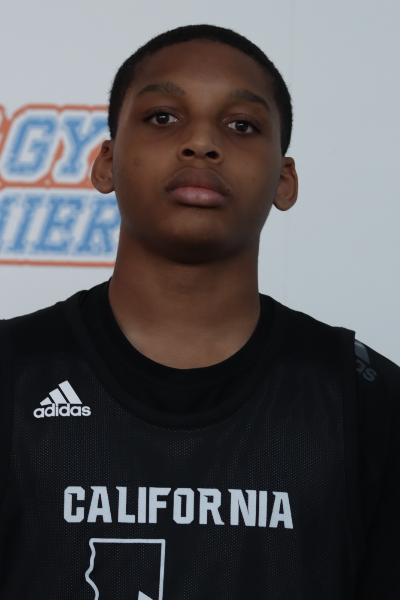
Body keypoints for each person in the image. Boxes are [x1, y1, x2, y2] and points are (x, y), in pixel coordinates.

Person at [0, 23, 398, 600]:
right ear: (106, 162)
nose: (201, 143)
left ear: (285, 180)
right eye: (163, 117)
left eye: (241, 126)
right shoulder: (14, 373)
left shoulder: (366, 402)